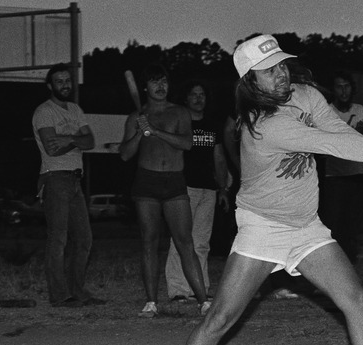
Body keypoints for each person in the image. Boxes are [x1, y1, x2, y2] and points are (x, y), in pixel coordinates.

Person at [144, 34, 363, 345]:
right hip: (263, 227)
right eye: (269, 71)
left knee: (356, 301)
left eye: (281, 64)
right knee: (221, 319)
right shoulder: (261, 126)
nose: (281, 75)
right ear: (250, 82)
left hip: (305, 227)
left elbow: (339, 132)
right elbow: (324, 144)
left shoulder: (305, 94)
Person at [119, 64, 210, 316]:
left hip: (174, 181)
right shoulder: (135, 117)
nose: (160, 87)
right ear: (146, 87)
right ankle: (151, 302)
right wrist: (139, 132)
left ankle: (203, 301)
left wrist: (156, 131)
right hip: (146, 182)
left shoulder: (179, 112)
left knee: (185, 242)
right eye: (155, 82)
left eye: (164, 82)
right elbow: (125, 155)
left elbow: (187, 143)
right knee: (149, 242)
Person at [32, 63, 105, 308]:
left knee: (84, 239)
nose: (65, 84)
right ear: (50, 86)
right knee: (58, 239)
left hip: (75, 179)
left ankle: (78, 291)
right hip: (54, 177)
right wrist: (77, 140)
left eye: (67, 80)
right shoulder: (44, 112)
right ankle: (60, 295)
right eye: (59, 81)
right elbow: (51, 148)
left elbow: (91, 140)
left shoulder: (75, 109)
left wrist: (69, 139)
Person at [164, 81, 229, 302]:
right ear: (186, 98)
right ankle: (178, 290)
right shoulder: (180, 122)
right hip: (184, 188)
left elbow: (219, 158)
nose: (198, 99)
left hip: (208, 189)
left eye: (202, 95)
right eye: (194, 94)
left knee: (201, 241)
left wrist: (223, 188)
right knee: (181, 239)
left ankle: (199, 288)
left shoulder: (213, 125)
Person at [319, 71, 363, 264]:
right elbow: (321, 143)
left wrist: (358, 137)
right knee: (332, 225)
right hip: (333, 176)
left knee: (353, 226)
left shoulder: (360, 110)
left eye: (347, 86)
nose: (343, 90)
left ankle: (349, 267)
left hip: (357, 174)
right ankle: (331, 266)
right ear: (333, 89)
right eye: (339, 86)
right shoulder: (325, 110)